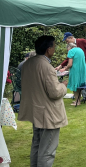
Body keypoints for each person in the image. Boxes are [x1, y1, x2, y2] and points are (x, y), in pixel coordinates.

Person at [18, 36, 68, 167]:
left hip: (36, 111)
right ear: (48, 49)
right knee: (47, 150)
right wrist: (64, 85)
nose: (55, 49)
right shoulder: (46, 67)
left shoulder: (28, 63)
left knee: (37, 145)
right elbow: (55, 92)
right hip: (48, 114)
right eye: (54, 46)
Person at [56, 32, 86, 103]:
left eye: (67, 41)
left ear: (71, 38)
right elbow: (69, 59)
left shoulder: (82, 41)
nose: (67, 43)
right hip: (80, 69)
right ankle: (85, 97)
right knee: (82, 82)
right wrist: (60, 66)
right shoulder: (72, 48)